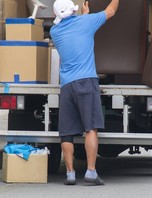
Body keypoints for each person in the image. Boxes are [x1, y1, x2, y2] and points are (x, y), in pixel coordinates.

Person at [50, 0, 119, 185]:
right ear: (75, 10)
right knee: (90, 128)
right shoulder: (86, 22)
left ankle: (70, 174)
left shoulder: (54, 32)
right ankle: (90, 172)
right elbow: (111, 11)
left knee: (67, 132)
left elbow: (75, 31)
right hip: (86, 83)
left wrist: (84, 16)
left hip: (66, 86)